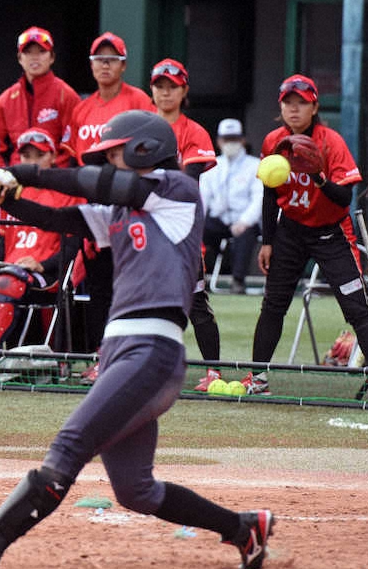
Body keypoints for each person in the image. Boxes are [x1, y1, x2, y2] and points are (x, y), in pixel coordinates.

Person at [0, 109, 275, 569]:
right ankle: (244, 527)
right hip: (121, 352)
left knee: (68, 446)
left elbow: (98, 184)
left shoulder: (177, 191)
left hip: (152, 349)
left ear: (144, 149)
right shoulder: (120, 209)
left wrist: (18, 172)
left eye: (115, 152)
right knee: (135, 490)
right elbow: (53, 218)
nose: (108, 162)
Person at [243, 74, 368, 396]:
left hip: (331, 232)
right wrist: (268, 241)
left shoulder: (330, 141)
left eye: (301, 103)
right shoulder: (273, 141)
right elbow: (268, 195)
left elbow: (344, 198)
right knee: (273, 304)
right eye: (288, 103)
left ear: (315, 106)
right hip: (290, 230)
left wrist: (317, 177)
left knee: (356, 308)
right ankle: (258, 378)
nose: (293, 109)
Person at [0, 128, 82, 379]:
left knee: (6, 281)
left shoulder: (66, 193)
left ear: (52, 157)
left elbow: (74, 245)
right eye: (26, 156)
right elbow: (0, 239)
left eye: (38, 156)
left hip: (46, 275)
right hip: (8, 270)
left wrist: (43, 265)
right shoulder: (6, 194)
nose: (31, 162)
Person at [67, 33, 155, 370]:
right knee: (100, 287)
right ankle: (103, 355)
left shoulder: (138, 101)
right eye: (99, 59)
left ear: (123, 64)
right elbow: (75, 163)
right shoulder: (82, 108)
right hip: (95, 209)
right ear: (91, 66)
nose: (105, 64)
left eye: (111, 59)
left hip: (128, 205)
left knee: (133, 285)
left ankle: (135, 354)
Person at [148, 57, 223, 392]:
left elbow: (187, 181)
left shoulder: (194, 131)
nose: (166, 93)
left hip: (182, 232)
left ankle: (214, 372)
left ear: (184, 90)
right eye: (159, 86)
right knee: (143, 301)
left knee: (195, 302)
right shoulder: (142, 126)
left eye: (172, 87)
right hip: (145, 229)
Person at [0, 26, 78, 168]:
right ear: (19, 58)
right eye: (28, 52)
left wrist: (53, 177)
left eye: (42, 51)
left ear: (52, 57)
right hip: (15, 181)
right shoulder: (5, 100)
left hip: (54, 180)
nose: (35, 57)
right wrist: (4, 175)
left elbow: (73, 147)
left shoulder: (66, 95)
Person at [199, 118, 263, 295]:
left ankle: (238, 281)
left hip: (244, 221)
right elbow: (203, 199)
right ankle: (198, 276)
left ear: (242, 140)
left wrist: (244, 221)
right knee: (200, 230)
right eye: (226, 139)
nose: (230, 143)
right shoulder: (211, 166)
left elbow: (258, 199)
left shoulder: (255, 165)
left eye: (234, 139)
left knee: (246, 234)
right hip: (219, 220)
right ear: (219, 141)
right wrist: (196, 223)